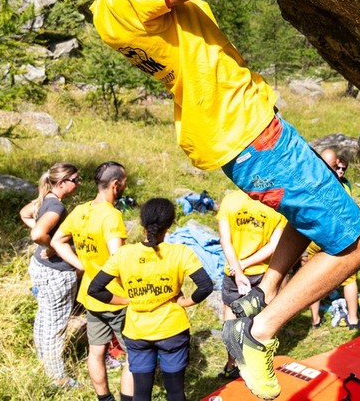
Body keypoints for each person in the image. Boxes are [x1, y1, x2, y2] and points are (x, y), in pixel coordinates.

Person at [62, 0, 360, 400]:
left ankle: (263, 289)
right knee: (356, 246)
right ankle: (259, 331)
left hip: (239, 127)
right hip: (250, 135)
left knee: (316, 203)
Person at [88, 197, 214, 401]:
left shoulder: (123, 255)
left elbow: (95, 289)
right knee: (175, 392)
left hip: (137, 332)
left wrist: (126, 300)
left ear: (142, 223)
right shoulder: (180, 252)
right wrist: (186, 302)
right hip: (173, 330)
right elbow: (206, 285)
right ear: (170, 224)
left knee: (141, 393)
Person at [52, 161, 133, 401]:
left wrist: (83, 265)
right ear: (116, 184)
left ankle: (104, 399)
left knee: (96, 351)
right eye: (125, 181)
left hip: (90, 293)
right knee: (133, 355)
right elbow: (118, 259)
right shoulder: (112, 216)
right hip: (116, 297)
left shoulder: (80, 211)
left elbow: (57, 240)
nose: (126, 185)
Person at [18, 162, 81, 388]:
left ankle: (45, 366)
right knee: (55, 325)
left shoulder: (46, 199)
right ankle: (58, 378)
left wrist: (47, 239)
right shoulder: (57, 208)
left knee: (44, 320)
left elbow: (25, 214)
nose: (79, 183)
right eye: (75, 180)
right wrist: (52, 245)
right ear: (62, 182)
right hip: (56, 273)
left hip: (40, 269)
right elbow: (37, 233)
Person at [217, 188, 286, 379]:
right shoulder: (276, 205)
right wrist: (246, 264)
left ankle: (232, 365)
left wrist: (238, 269)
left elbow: (225, 240)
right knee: (260, 321)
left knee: (231, 321)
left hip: (232, 272)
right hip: (262, 273)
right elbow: (275, 245)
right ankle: (258, 366)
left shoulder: (230, 200)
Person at [304, 149, 360, 330]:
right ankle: (352, 319)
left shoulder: (309, 181)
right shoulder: (343, 187)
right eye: (339, 167)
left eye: (343, 168)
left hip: (315, 236)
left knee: (313, 278)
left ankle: (315, 320)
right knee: (349, 277)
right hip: (335, 237)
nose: (341, 171)